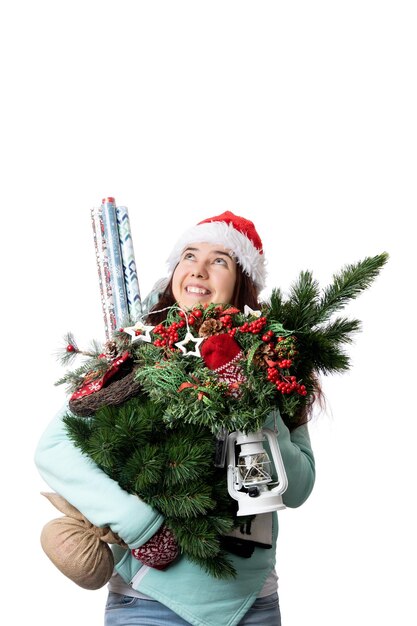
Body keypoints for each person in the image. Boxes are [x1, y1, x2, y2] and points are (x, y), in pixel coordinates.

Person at [35, 211, 316, 626]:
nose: (199, 269)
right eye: (189, 255)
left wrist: (252, 402)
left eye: (220, 259)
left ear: (241, 281)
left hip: (252, 603)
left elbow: (299, 488)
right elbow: (55, 448)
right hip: (149, 602)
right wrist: (138, 524)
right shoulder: (137, 353)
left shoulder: (274, 362)